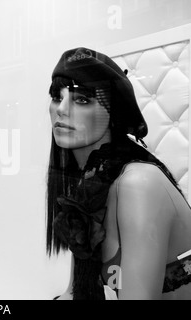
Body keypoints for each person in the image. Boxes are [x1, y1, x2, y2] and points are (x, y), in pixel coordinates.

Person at [46, 47, 191, 300]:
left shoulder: (139, 184)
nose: (61, 109)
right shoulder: (88, 187)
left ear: (113, 114)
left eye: (81, 99)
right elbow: (74, 291)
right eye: (57, 97)